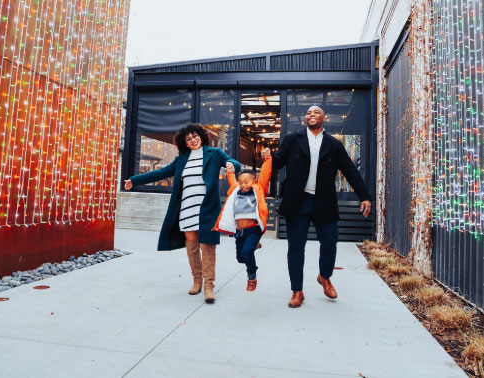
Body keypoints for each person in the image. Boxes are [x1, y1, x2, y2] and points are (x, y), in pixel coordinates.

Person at [262, 106, 372, 308]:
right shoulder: (292, 139)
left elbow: (350, 170)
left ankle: (325, 276)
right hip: (297, 200)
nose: (311, 114)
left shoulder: (334, 144)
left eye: (316, 112)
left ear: (324, 118)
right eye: (308, 112)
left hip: (324, 201)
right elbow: (279, 161)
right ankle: (297, 290)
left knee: (329, 242)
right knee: (296, 247)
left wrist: (364, 196)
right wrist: (269, 156)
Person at [124, 123, 241, 303]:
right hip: (187, 208)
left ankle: (209, 286)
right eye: (188, 139)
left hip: (207, 209)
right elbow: (160, 173)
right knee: (192, 247)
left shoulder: (214, 154)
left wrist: (230, 165)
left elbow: (235, 163)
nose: (193, 140)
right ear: (184, 143)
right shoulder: (181, 160)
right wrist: (134, 180)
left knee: (208, 247)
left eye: (195, 136)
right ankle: (197, 281)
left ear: (201, 136)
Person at [212, 156, 272, 292]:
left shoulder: (258, 189)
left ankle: (252, 276)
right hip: (240, 232)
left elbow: (265, 175)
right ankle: (253, 246)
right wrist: (229, 171)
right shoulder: (235, 190)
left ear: (254, 182)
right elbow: (232, 179)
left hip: (253, 229)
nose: (243, 185)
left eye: (246, 182)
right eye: (241, 182)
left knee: (246, 252)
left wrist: (267, 160)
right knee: (240, 258)